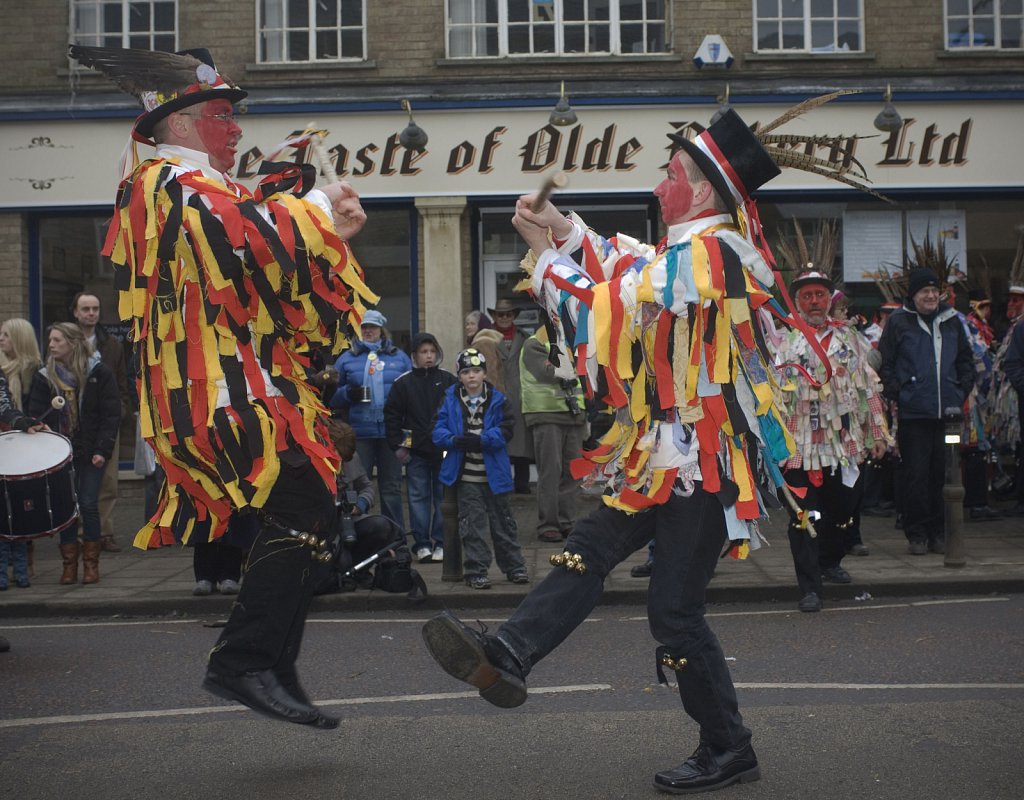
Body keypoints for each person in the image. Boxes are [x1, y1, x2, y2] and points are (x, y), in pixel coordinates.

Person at [420, 103, 869, 793]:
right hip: (662, 457)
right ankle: (509, 651)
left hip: (704, 465)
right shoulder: (685, 251)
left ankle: (729, 746)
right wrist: (562, 230)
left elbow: (617, 305)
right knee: (590, 547)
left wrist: (543, 261)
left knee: (675, 615)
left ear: (702, 188)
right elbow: (628, 264)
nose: (660, 186)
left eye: (669, 174)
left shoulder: (719, 252)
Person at [71, 44, 376, 727]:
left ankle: (270, 662)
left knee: (316, 509)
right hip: (217, 398)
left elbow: (278, 285)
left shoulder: (217, 188)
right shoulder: (166, 186)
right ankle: (243, 662)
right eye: (220, 115)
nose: (235, 128)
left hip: (257, 388)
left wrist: (335, 237)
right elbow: (240, 236)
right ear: (177, 124)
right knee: (303, 507)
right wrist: (317, 205)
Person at [774, 268, 890, 612]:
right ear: (796, 302)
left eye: (820, 295)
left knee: (843, 508)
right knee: (804, 516)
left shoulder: (851, 340)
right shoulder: (781, 341)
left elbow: (868, 388)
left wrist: (877, 433)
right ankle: (810, 587)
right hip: (798, 447)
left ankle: (829, 560)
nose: (814, 302)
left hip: (843, 444)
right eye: (807, 296)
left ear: (830, 299)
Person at [878, 268, 975, 554]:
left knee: (945, 474)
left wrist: (959, 391)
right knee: (916, 475)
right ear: (914, 296)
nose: (930, 296)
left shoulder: (953, 321)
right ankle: (917, 533)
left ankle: (939, 532)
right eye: (924, 292)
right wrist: (903, 394)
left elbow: (966, 361)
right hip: (914, 416)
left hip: (949, 418)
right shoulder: (898, 323)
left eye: (934, 291)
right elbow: (885, 364)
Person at [27, 322, 121, 584]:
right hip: (59, 452)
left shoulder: (98, 373)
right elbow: (35, 410)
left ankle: (91, 565)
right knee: (66, 507)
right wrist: (40, 423)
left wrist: (103, 449)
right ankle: (69, 565)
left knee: (89, 503)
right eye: (50, 340)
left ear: (72, 343)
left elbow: (110, 415)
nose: (51, 345)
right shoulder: (45, 376)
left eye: (57, 340)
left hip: (90, 450)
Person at [433, 347, 528, 589]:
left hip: (495, 475)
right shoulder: (450, 398)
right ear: (459, 376)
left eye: (476, 371)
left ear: (485, 374)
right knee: (472, 527)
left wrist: (483, 439)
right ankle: (476, 571)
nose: (472, 376)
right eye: (466, 372)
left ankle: (515, 568)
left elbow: (507, 430)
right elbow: (438, 429)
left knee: (504, 524)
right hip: (467, 477)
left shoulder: (498, 400)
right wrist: (454, 440)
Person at [329, 309, 412, 529]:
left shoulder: (399, 358)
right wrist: (349, 394)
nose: (368, 331)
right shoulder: (347, 359)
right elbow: (329, 397)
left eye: (372, 327)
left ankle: (396, 538)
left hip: (390, 433)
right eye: (364, 327)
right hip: (359, 434)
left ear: (381, 329)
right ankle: (356, 535)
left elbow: (410, 393)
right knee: (355, 488)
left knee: (391, 488)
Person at [384, 331, 457, 562]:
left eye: (432, 351)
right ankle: (422, 543)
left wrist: (454, 443)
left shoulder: (448, 380)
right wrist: (400, 447)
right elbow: (393, 417)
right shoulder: (403, 383)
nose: (428, 356)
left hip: (443, 450)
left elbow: (457, 414)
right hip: (415, 452)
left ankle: (442, 542)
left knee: (442, 497)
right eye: (424, 352)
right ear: (414, 355)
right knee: (417, 497)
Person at [71, 292, 131, 553]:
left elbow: (122, 384)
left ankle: (104, 533)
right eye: (85, 309)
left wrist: (121, 410)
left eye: (95, 308)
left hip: (106, 421)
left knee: (108, 479)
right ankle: (81, 532)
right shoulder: (65, 342)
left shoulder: (112, 346)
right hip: (76, 422)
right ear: (75, 312)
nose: (91, 313)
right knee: (78, 480)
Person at [519, 326, 586, 542]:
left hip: (573, 415)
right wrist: (576, 362)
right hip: (546, 414)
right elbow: (548, 373)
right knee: (551, 471)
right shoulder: (534, 343)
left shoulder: (573, 341)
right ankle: (548, 524)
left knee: (573, 472)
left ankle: (567, 522)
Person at [473, 297, 533, 494]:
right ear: (495, 316)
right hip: (494, 394)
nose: (505, 317)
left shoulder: (524, 337)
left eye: (508, 314)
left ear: (514, 316)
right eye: (501, 314)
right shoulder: (485, 339)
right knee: (500, 440)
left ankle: (522, 484)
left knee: (521, 441)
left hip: (520, 394)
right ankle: (501, 482)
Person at [0, 318, 44, 579]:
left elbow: (9, 407)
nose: (1, 339)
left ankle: (22, 566)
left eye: (6, 335)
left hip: (22, 441)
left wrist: (23, 422)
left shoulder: (35, 372)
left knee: (20, 506)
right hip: (7, 440)